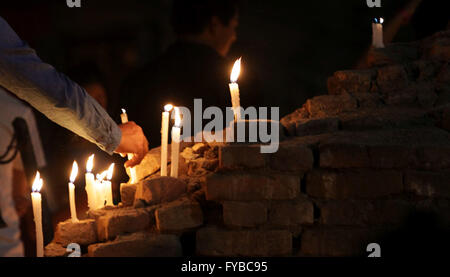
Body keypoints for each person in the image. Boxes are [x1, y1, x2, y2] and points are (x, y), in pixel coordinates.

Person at [0, 16, 148, 256]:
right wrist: (112, 135)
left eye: (101, 100)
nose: (99, 105)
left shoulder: (15, 113)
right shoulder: (41, 135)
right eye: (92, 101)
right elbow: (31, 75)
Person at [120, 0, 255, 147]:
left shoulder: (138, 80)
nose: (234, 36)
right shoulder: (239, 83)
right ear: (214, 24)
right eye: (233, 27)